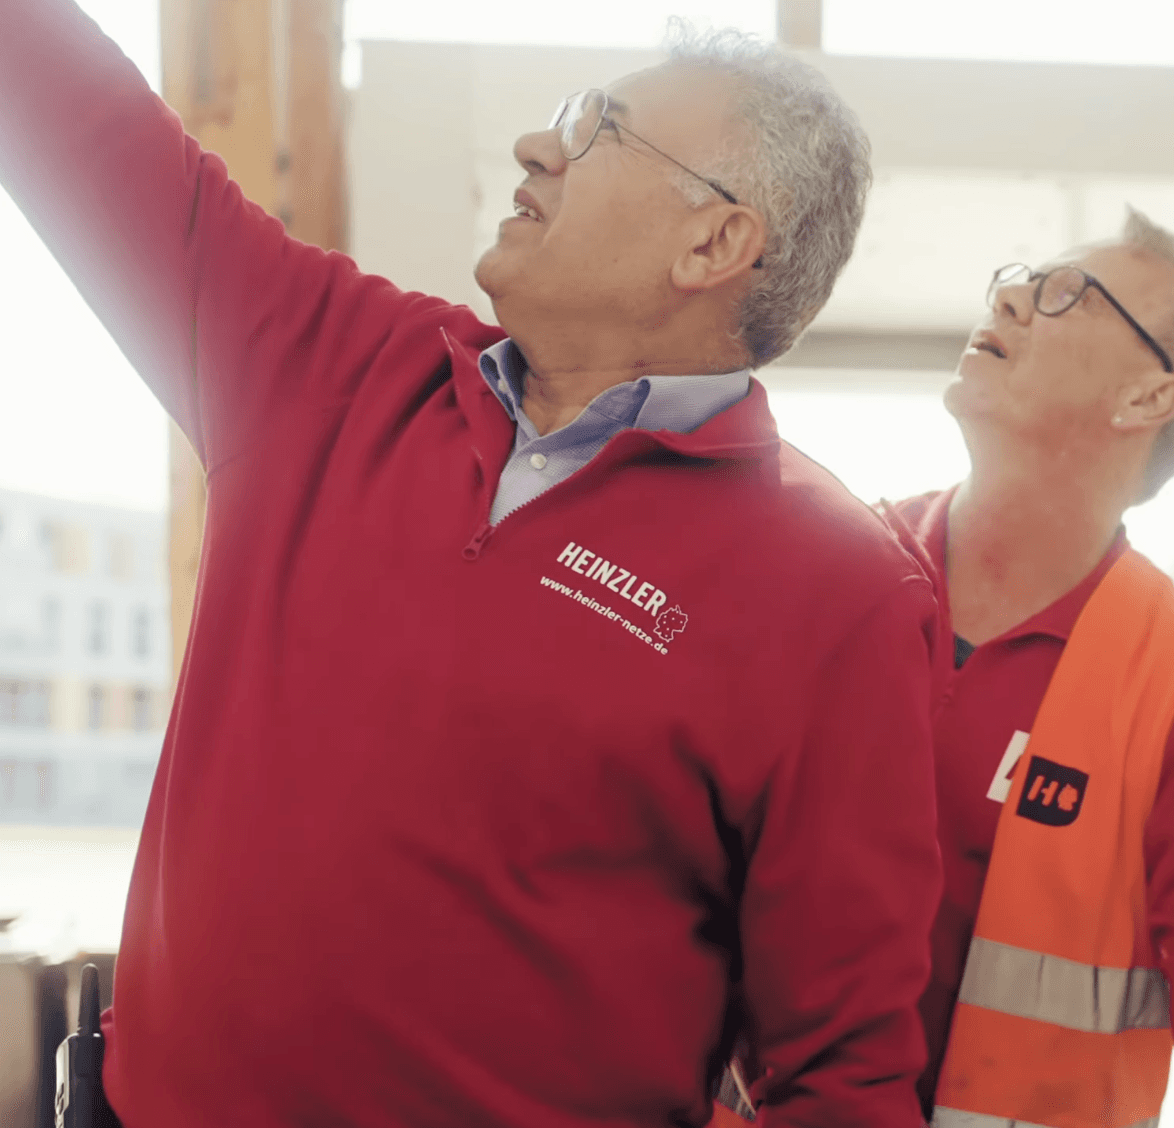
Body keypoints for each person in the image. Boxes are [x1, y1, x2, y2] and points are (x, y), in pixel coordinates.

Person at [0, 4, 945, 1127]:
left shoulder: (839, 590)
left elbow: (846, 1075)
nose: (537, 148)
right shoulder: (334, 366)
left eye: (600, 130)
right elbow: (73, 117)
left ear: (712, 245)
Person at [715, 212, 1174, 1128]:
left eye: (1072, 294)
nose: (1014, 297)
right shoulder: (818, 577)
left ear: (1148, 399)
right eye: (1024, 276)